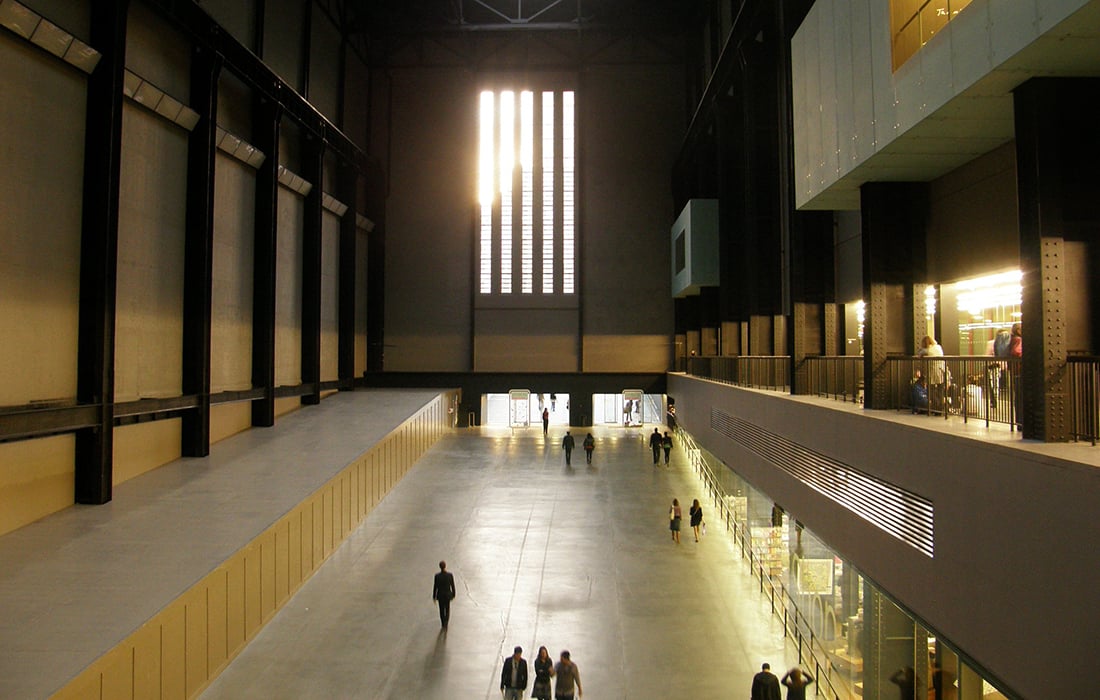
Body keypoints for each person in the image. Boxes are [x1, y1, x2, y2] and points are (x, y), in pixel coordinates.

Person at [917, 335, 948, 413]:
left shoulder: (927, 350)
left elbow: (919, 353)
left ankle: (936, 408)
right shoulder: (938, 347)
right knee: (940, 390)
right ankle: (941, 408)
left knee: (931, 391)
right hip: (941, 370)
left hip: (932, 372)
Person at [432, 560, 455, 628]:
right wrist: (453, 594)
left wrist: (434, 596)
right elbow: (452, 585)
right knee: (447, 608)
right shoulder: (450, 575)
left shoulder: (437, 576)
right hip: (447, 595)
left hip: (440, 595)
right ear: (445, 566)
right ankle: (446, 622)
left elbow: (435, 586)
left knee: (441, 609)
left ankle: (443, 622)